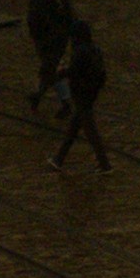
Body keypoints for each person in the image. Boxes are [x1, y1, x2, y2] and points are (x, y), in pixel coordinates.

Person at [50, 17, 109, 171]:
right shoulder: (95, 49)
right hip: (91, 92)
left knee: (91, 132)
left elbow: (74, 72)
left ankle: (105, 164)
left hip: (82, 94)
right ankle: (58, 159)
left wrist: (61, 73)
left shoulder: (80, 51)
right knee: (73, 129)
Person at [24, 0, 73, 114]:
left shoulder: (38, 0)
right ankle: (42, 96)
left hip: (46, 41)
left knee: (50, 70)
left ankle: (57, 100)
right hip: (60, 40)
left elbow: (33, 22)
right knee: (51, 68)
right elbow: (70, 17)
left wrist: (38, 37)